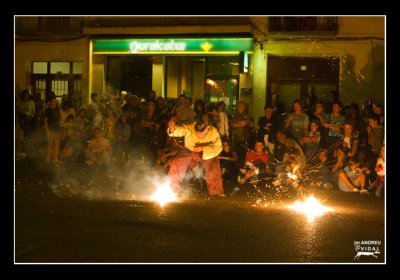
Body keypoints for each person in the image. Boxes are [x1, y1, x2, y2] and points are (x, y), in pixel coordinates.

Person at [167, 119, 225, 197]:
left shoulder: (213, 131)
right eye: (198, 133)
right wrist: (172, 129)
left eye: (202, 133)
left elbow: (218, 147)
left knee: (213, 166)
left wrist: (203, 148)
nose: (200, 135)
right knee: (176, 161)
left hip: (207, 152)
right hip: (190, 149)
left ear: (207, 128)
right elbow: (180, 130)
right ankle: (173, 188)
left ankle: (216, 191)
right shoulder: (190, 128)